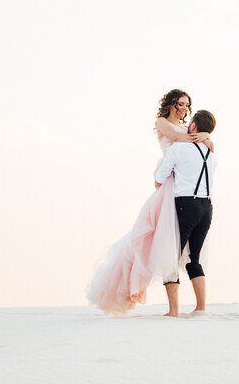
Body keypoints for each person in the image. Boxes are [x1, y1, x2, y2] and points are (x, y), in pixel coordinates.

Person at [86, 89, 213, 315]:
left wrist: (206, 137)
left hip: (182, 187)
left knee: (174, 247)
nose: (184, 108)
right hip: (171, 189)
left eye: (187, 105)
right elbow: (176, 139)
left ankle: (184, 308)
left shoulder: (188, 131)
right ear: (171, 104)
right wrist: (202, 137)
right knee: (153, 238)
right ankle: (163, 302)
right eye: (180, 103)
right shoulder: (163, 123)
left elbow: (196, 145)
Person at [155, 110, 218, 317]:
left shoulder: (179, 148)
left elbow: (159, 178)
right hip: (206, 207)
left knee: (171, 256)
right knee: (193, 258)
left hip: (185, 205)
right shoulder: (211, 152)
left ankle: (173, 311)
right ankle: (201, 308)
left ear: (193, 127)